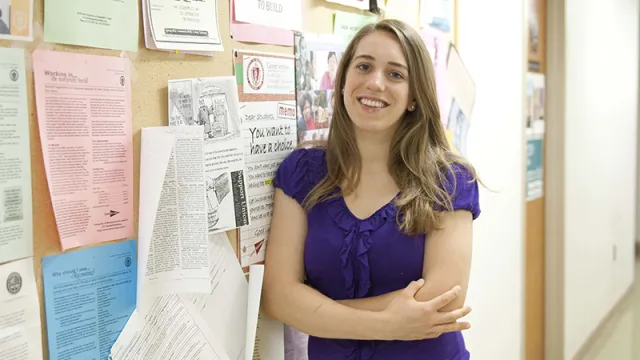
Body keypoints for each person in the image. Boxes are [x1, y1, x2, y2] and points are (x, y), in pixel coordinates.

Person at [263, 19, 481, 360]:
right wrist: (388, 324)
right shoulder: (302, 173)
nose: (375, 83)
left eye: (395, 74)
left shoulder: (448, 179)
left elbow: (443, 301)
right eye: (364, 66)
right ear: (344, 79)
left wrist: (317, 310)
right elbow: (278, 296)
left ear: (413, 96)